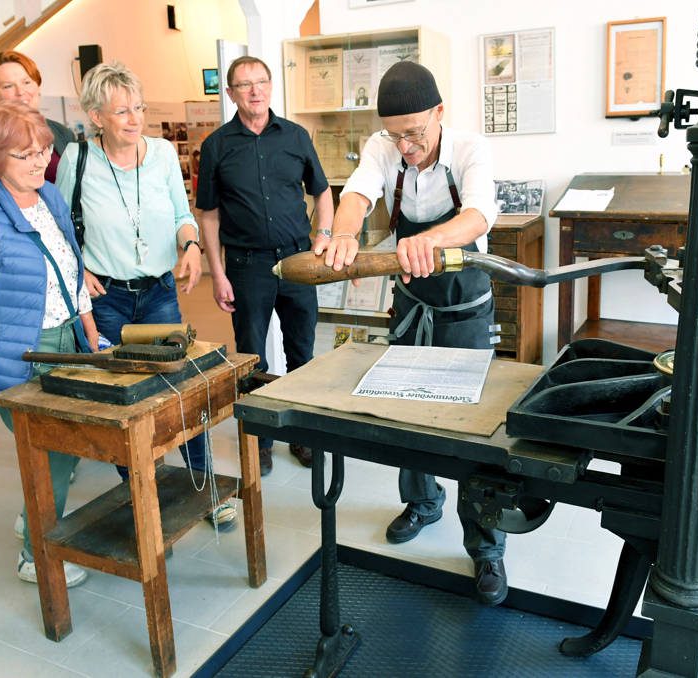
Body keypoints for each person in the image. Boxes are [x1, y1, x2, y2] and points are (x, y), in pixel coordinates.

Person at [316, 61, 507, 606]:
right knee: (407, 407)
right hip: (412, 301)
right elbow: (356, 196)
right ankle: (423, 502)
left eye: (416, 133)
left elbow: (477, 216)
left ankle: (486, 545)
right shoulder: (383, 147)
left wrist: (433, 241)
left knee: (469, 425)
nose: (406, 146)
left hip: (464, 301)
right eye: (396, 135)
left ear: (440, 114)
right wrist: (344, 234)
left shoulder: (470, 148)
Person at [55, 62, 237, 531]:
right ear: (96, 116)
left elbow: (182, 214)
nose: (134, 119)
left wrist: (190, 245)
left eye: (138, 107)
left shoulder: (158, 154)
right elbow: (60, 228)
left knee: (181, 386)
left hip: (158, 292)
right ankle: (144, 489)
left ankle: (205, 485)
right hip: (107, 299)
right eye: (121, 111)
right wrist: (81, 269)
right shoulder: (76, 161)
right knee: (125, 400)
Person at [0, 100, 99, 588]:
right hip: (17, 358)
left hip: (67, 347)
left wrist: (91, 334)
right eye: (25, 154)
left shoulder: (50, 197)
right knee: (54, 451)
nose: (39, 162)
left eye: (44, 151)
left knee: (69, 448)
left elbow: (71, 272)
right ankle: (36, 557)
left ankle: (30, 515)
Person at [196, 56, 334, 475]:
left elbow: (323, 194)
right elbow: (209, 215)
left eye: (260, 82)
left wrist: (323, 238)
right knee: (252, 357)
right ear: (231, 92)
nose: (254, 90)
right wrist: (217, 275)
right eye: (244, 84)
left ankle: (303, 436)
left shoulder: (295, 136)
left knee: (302, 352)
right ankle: (260, 441)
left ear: (271, 86)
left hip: (296, 261)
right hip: (246, 265)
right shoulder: (217, 145)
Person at [0, 51, 75, 207]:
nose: (21, 92)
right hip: (3, 228)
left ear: (38, 85)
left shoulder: (63, 134)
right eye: (8, 86)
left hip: (58, 225)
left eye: (27, 82)